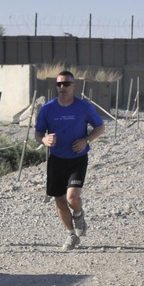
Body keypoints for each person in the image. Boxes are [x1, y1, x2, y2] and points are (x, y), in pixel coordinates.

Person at [35, 71, 106, 250]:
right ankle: (71, 235)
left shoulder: (84, 107)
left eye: (66, 84)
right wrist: (44, 140)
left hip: (77, 158)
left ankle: (79, 214)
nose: (62, 87)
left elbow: (100, 127)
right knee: (59, 201)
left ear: (74, 86)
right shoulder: (48, 109)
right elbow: (38, 133)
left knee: (72, 197)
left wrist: (86, 140)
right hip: (57, 159)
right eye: (59, 84)